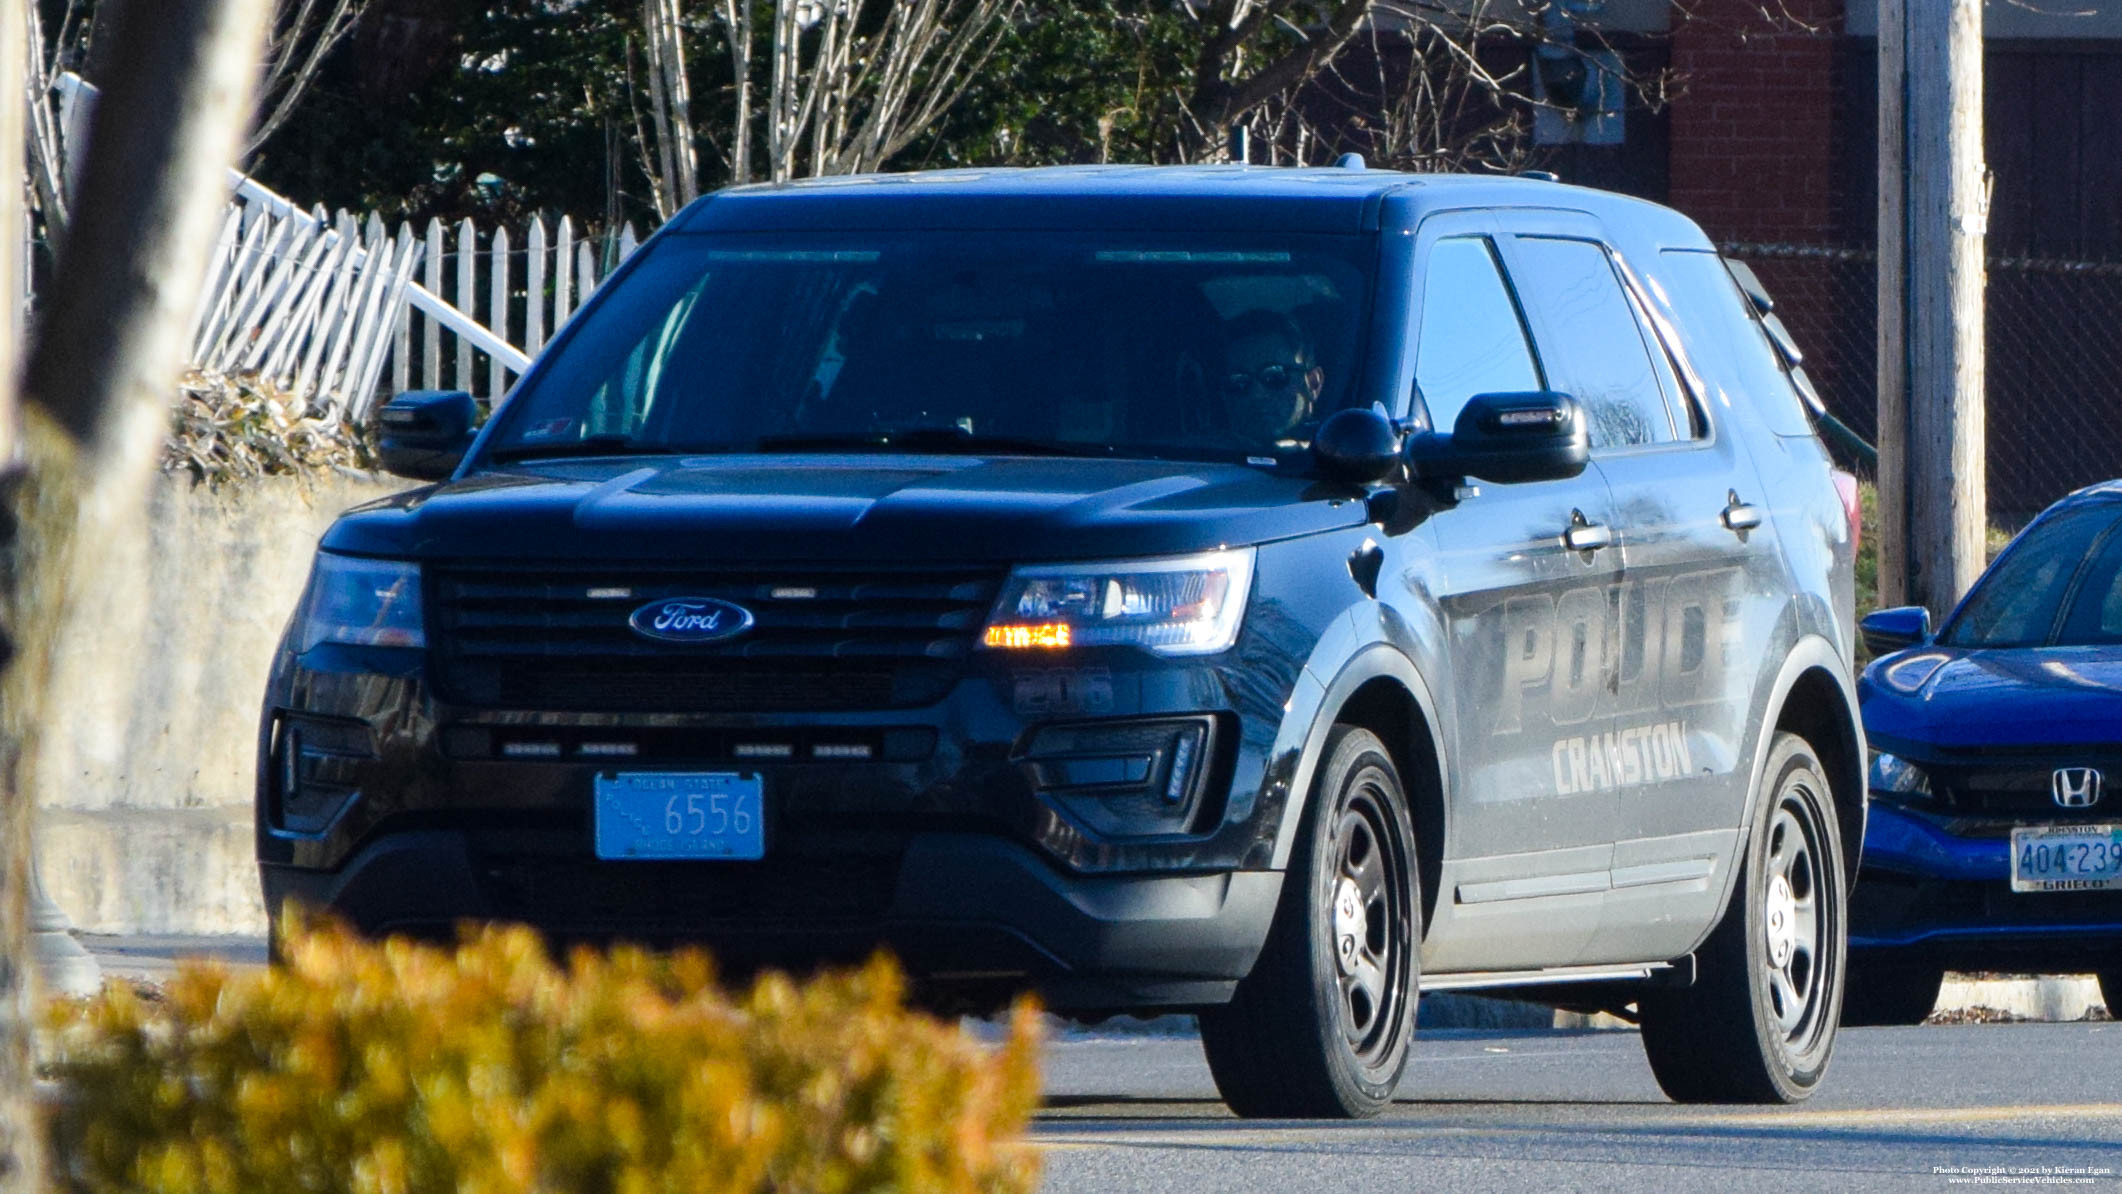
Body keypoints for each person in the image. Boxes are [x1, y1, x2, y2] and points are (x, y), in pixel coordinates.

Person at [1218, 309, 1325, 445]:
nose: (1257, 394)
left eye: (1274, 376)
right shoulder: (1200, 457)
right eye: (1239, 382)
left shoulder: (1343, 452)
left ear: (1313, 383)